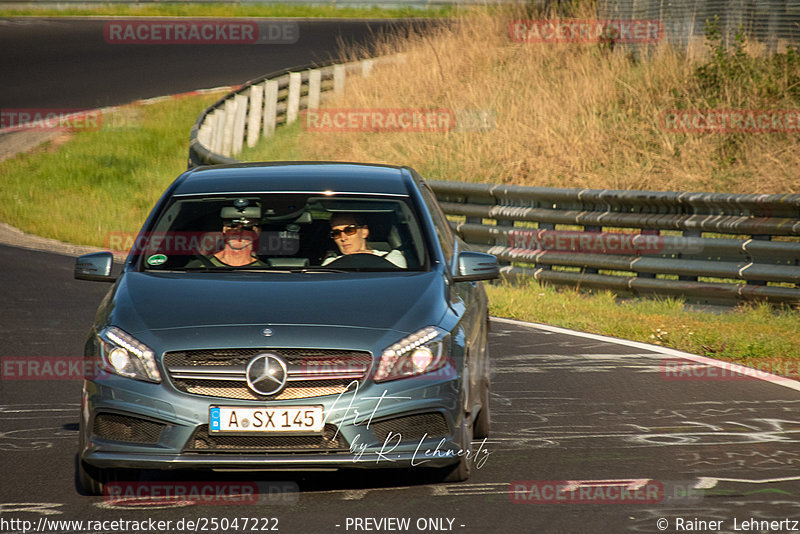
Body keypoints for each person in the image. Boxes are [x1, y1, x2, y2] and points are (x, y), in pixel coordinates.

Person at [186, 211, 267, 268]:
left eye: (247, 227)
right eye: (232, 226)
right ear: (224, 230)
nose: (238, 231)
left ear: (257, 233)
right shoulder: (198, 267)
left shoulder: (265, 272)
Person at [322, 213, 406, 268]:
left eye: (349, 230)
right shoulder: (331, 262)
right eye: (336, 233)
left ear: (364, 232)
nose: (343, 238)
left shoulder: (392, 257)